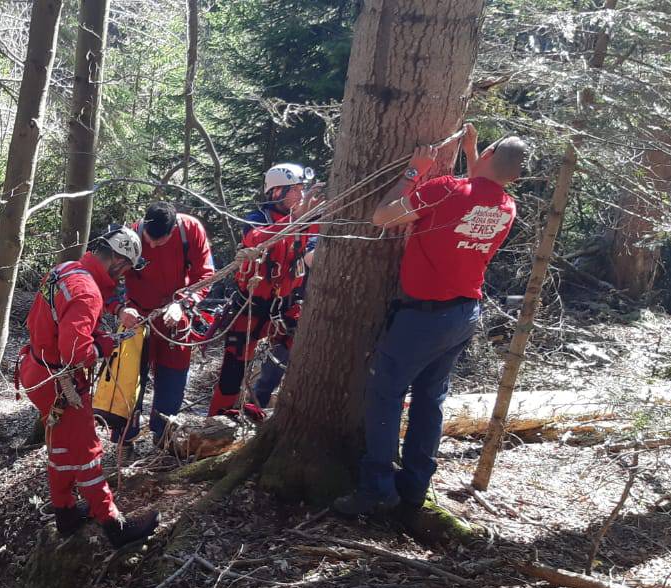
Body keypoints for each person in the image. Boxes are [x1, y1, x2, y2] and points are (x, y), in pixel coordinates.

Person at [333, 126, 527, 516]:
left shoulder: (443, 189)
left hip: (422, 316)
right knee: (429, 400)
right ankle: (413, 488)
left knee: (385, 395)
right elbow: (478, 191)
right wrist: (472, 151)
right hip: (462, 315)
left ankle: (376, 490)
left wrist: (413, 172)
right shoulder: (506, 206)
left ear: (489, 152)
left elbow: (382, 218)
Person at [18, 226, 159, 549]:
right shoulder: (87, 292)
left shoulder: (66, 269)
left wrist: (115, 315)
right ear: (119, 261)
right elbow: (76, 353)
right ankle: (114, 525)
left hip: (38, 371)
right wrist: (105, 344)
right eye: (124, 270)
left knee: (62, 448)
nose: (123, 277)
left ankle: (65, 512)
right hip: (61, 384)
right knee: (87, 453)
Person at [210, 163, 322, 419]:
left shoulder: (306, 220)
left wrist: (310, 222)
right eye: (295, 190)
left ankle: (259, 402)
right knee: (234, 367)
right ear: (276, 192)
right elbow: (256, 239)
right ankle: (217, 418)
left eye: (301, 189)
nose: (301, 195)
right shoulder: (256, 219)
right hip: (251, 307)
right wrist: (297, 219)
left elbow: (312, 251)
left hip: (286, 306)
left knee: (290, 356)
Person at [109, 202, 216, 444]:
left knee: (173, 379)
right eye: (150, 239)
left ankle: (163, 435)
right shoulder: (130, 237)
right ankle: (123, 439)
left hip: (175, 317)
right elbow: (107, 279)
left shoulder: (191, 230)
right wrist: (119, 308)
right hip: (137, 319)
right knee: (127, 380)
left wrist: (184, 302)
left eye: (162, 241)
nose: (154, 245)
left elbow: (205, 274)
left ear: (173, 230)